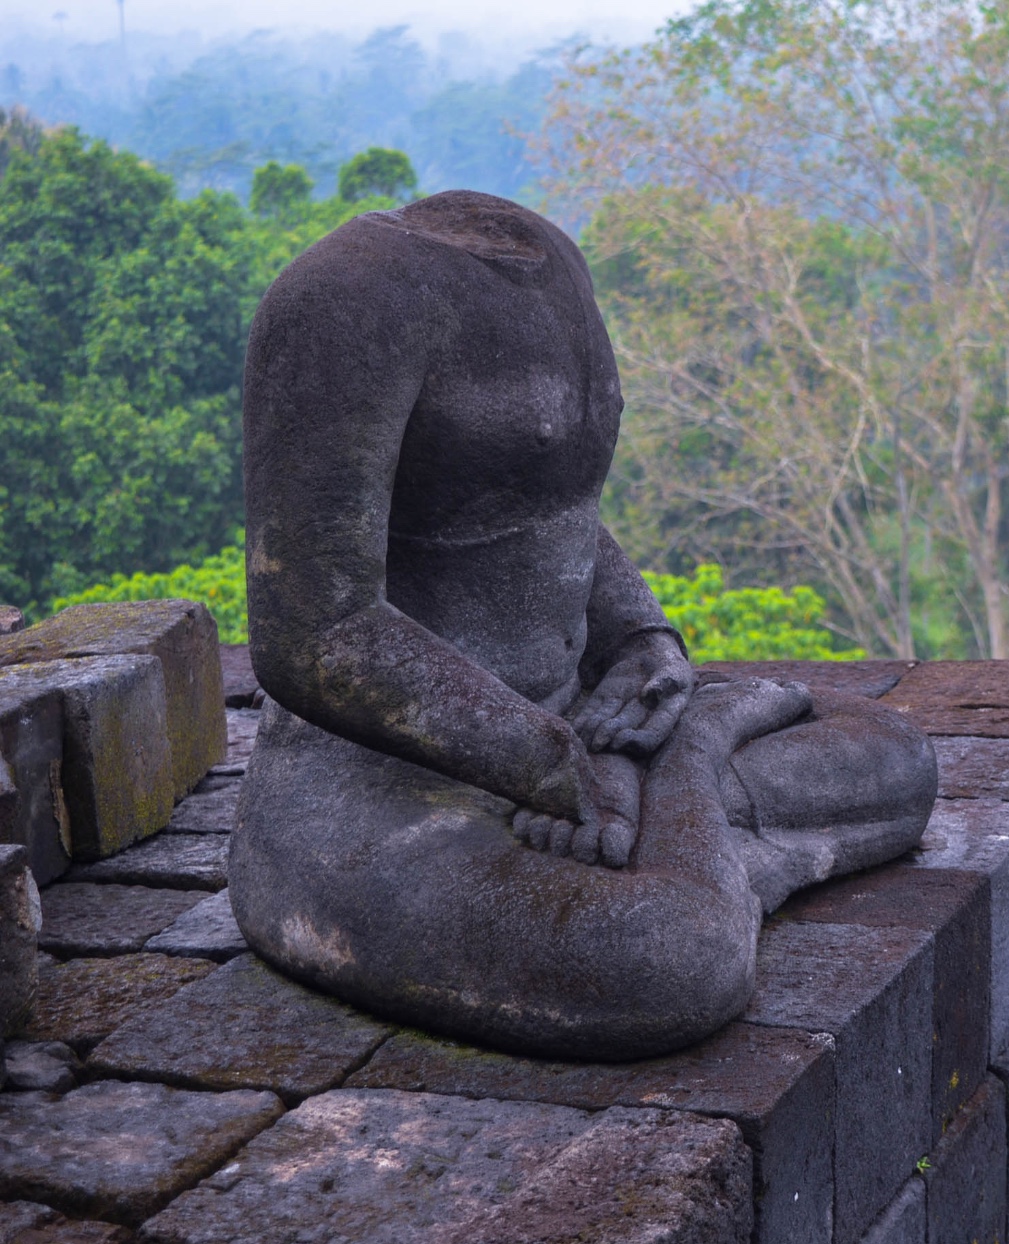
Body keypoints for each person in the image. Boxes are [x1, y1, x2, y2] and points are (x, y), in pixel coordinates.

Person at [229, 190, 936, 1060]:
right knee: (665, 961)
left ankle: (688, 788)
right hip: (384, 785)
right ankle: (700, 829)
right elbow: (316, 631)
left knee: (895, 753)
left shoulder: (551, 263)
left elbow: (555, 518)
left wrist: (643, 642)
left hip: (581, 726)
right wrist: (541, 759)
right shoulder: (335, 303)